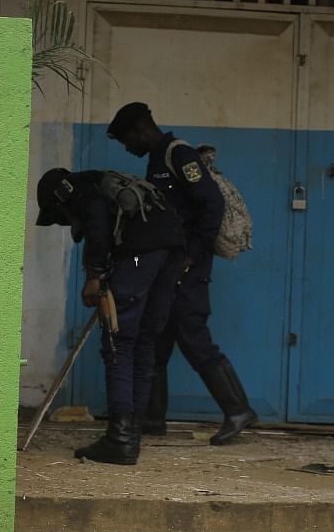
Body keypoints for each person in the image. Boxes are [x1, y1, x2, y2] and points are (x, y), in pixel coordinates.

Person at [107, 102, 257, 445]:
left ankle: (238, 409)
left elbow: (212, 204)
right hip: (169, 267)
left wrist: (192, 254)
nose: (128, 149)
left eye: (127, 141)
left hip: (187, 267)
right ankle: (151, 418)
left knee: (193, 335)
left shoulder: (179, 155)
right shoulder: (157, 160)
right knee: (156, 338)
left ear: (140, 129)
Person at [36, 168, 185, 464]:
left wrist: (94, 276)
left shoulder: (81, 191)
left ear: (59, 197)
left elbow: (97, 221)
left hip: (142, 253)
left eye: (60, 216)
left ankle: (120, 439)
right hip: (171, 252)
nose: (65, 222)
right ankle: (132, 436)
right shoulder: (101, 182)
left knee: (118, 341)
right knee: (143, 342)